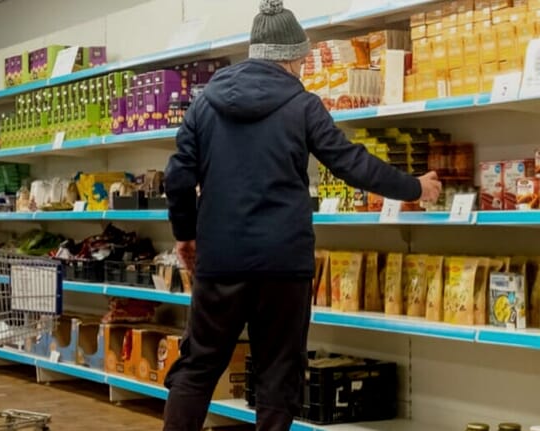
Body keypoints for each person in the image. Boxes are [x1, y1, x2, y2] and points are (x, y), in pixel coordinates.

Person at [161, 1, 442, 430]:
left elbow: (178, 177)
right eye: (303, 58)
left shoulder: (205, 105)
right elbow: (351, 163)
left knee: (197, 368)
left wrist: (186, 234)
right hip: (283, 265)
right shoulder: (303, 105)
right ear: (293, 57)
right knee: (278, 376)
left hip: (221, 260)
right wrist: (414, 188)